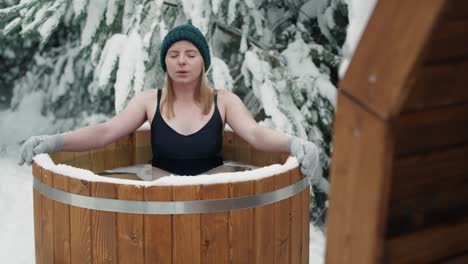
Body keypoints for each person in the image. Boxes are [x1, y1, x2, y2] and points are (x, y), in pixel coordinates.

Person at [18, 23, 328, 193]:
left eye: (191, 54)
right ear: (165, 61)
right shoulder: (148, 101)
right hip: (159, 191)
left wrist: (294, 143)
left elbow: (256, 136)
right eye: (174, 54)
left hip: (215, 192)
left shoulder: (224, 101)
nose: (182, 61)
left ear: (203, 61)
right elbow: (105, 132)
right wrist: (54, 141)